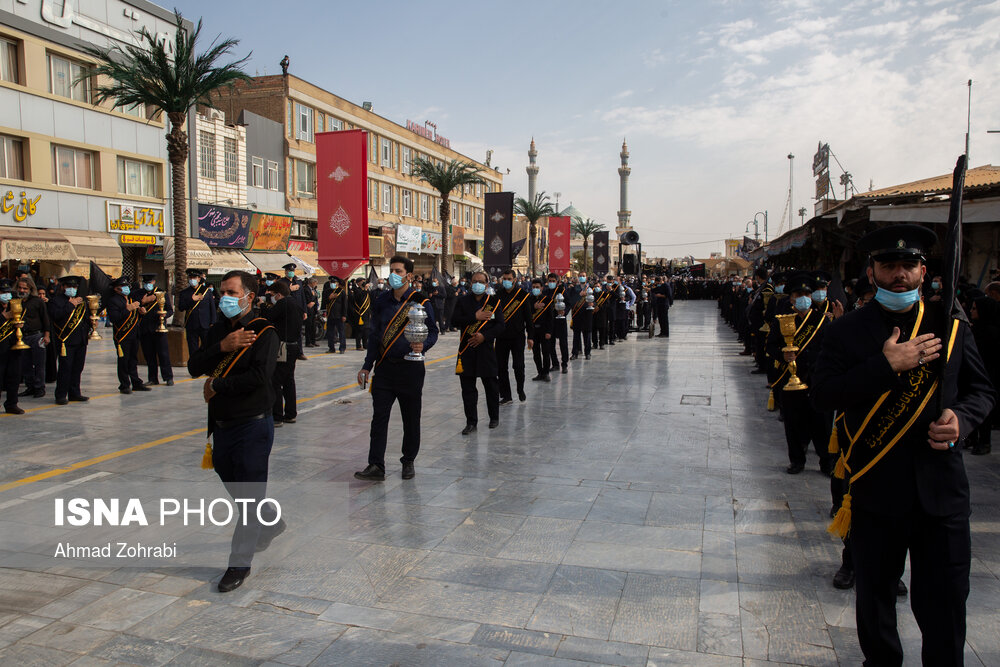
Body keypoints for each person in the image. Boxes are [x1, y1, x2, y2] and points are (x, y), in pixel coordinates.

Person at [812, 224, 995, 667]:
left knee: (946, 605)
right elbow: (822, 395)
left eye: (908, 265)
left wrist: (962, 420)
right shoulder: (847, 331)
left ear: (923, 270)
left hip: (943, 492)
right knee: (875, 603)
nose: (900, 274)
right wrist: (885, 366)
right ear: (872, 273)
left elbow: (982, 391)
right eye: (888, 265)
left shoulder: (948, 324)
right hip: (878, 487)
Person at [188, 270, 282, 593]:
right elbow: (193, 365)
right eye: (222, 292)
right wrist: (223, 346)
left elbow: (258, 378)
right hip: (222, 428)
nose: (224, 298)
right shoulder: (218, 330)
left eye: (231, 292)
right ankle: (269, 517)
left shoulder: (265, 332)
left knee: (247, 500)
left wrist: (218, 384)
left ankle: (238, 564)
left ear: (249, 297)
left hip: (253, 426)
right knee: (238, 488)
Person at [354, 256, 438, 481]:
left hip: (410, 368)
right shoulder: (381, 300)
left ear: (409, 276)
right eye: (391, 270)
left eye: (398, 271)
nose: (393, 274)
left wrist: (424, 345)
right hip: (384, 369)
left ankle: (408, 460)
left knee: (411, 418)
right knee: (379, 417)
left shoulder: (421, 301)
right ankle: (376, 465)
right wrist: (366, 366)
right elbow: (374, 336)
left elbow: (433, 332)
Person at [765, 272, 839, 474]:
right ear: (791, 298)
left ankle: (826, 462)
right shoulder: (783, 320)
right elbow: (770, 346)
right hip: (790, 379)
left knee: (821, 424)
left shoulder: (822, 321)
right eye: (798, 294)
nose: (803, 298)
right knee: (793, 422)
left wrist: (811, 361)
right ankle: (797, 460)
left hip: (815, 379)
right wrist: (783, 355)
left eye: (806, 293)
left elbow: (831, 348)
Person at [453, 270, 505, 433]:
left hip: (486, 350)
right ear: (470, 283)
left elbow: (500, 326)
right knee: (468, 389)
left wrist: (484, 336)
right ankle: (471, 422)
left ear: (486, 284)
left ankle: (494, 417)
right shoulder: (462, 301)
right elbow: (454, 321)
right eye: (474, 281)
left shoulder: (494, 301)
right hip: (467, 349)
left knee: (491, 386)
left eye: (481, 282)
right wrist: (474, 317)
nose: (477, 284)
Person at [47, 276, 91, 405]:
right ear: (63, 287)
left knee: (78, 368)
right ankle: (61, 394)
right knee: (65, 368)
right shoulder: (55, 301)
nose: (72, 289)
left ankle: (75, 393)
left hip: (81, 339)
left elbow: (85, 318)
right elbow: (55, 316)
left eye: (75, 287)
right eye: (69, 287)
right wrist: (70, 305)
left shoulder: (81, 302)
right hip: (66, 340)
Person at [265, 279, 303, 426]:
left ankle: (277, 416)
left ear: (279, 294)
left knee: (275, 381)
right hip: (294, 346)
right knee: (288, 380)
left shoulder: (282, 304)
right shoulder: (295, 303)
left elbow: (269, 317)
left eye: (272, 295)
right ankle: (290, 414)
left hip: (283, 347)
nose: (272, 298)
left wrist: (263, 306)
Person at [105, 277, 150, 394]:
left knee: (133, 360)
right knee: (123, 361)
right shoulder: (113, 301)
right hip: (122, 335)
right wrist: (128, 309)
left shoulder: (130, 299)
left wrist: (141, 313)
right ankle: (124, 384)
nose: (125, 288)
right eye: (122, 286)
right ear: (116, 289)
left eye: (126, 286)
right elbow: (114, 318)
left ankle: (136, 382)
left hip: (134, 334)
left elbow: (134, 317)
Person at [495, 270, 532, 404]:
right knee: (501, 367)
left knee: (518, 365)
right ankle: (506, 395)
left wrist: (530, 336)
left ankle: (520, 389)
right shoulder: (498, 295)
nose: (506, 281)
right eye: (504, 278)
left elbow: (529, 318)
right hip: (501, 336)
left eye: (509, 278)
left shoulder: (522, 295)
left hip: (517, 336)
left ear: (514, 280)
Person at [13, 276, 49, 398]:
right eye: (20, 288)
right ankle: (30, 387)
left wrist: (47, 335)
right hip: (22, 337)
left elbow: (45, 319)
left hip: (36, 335)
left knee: (39, 363)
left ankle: (39, 387)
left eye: (25, 288)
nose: (22, 290)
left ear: (30, 289)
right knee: (25, 363)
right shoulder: (15, 301)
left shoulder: (37, 301)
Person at [135, 274, 174, 386]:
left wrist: (164, 315)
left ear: (154, 282)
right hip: (145, 329)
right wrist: (143, 303)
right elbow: (134, 306)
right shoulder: (138, 294)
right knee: (149, 355)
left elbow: (170, 310)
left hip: (158, 328)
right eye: (146, 282)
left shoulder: (161, 293)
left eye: (150, 282)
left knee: (163, 354)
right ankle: (152, 378)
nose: (148, 284)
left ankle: (168, 377)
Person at [0, 279, 25, 414]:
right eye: (3, 292)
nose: (6, 295)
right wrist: (3, 317)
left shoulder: (14, 305)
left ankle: (12, 403)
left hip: (13, 347)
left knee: (14, 377)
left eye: (8, 292)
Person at [179, 268, 216, 357]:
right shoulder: (184, 293)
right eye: (190, 277)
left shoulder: (206, 291)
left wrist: (213, 322)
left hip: (205, 324)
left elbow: (212, 307)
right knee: (193, 349)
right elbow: (181, 307)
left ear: (199, 279)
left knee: (207, 348)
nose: (192, 279)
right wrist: (192, 300)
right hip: (191, 324)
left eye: (194, 277)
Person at [528, 278, 554, 382]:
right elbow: (526, 314)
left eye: (537, 287)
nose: (535, 289)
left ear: (542, 288)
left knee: (546, 352)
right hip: (533, 331)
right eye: (533, 287)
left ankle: (546, 372)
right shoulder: (529, 300)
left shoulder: (547, 300)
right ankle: (540, 372)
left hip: (544, 330)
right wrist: (533, 307)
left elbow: (550, 317)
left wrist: (549, 331)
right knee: (536, 353)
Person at [323, 276, 348, 354]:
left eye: (334, 282)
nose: (333, 284)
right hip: (330, 314)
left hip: (339, 315)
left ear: (337, 283)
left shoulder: (341, 292)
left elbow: (345, 305)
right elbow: (324, 302)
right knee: (330, 333)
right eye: (331, 282)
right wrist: (329, 298)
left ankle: (342, 348)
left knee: (341, 333)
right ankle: (331, 348)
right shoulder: (327, 291)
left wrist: (344, 315)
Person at [350, 277, 372, 351]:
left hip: (366, 312)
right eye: (362, 282)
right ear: (358, 283)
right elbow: (359, 298)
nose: (364, 283)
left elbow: (369, 301)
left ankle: (365, 344)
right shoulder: (355, 290)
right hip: (359, 313)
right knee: (359, 330)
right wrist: (365, 290)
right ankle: (358, 345)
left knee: (366, 330)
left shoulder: (366, 290)